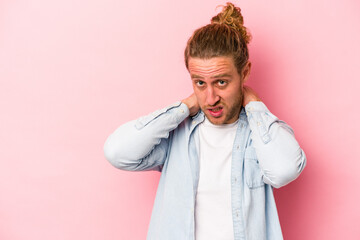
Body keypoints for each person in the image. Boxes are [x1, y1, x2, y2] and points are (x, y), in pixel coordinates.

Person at [103, 2, 306, 240]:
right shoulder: (177, 136)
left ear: (244, 72)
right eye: (200, 83)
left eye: (221, 82)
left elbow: (285, 170)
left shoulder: (258, 135)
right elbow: (117, 152)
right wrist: (185, 106)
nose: (210, 98)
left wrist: (254, 105)